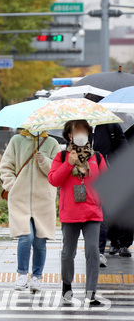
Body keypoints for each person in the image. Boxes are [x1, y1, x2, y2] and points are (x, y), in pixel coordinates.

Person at [49, 119, 106, 306]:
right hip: (70, 212)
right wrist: (69, 164)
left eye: (84, 130)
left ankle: (91, 292)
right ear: (68, 135)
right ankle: (67, 285)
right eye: (77, 131)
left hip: (92, 211)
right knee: (67, 253)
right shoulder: (61, 156)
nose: (81, 134)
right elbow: (54, 180)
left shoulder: (97, 157)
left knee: (92, 251)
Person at [0, 127, 59, 292]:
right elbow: (6, 167)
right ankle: (22, 274)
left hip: (43, 200)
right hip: (20, 198)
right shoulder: (16, 141)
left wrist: (44, 160)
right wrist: (12, 186)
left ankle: (37, 277)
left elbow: (56, 172)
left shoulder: (52, 143)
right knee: (26, 236)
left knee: (40, 240)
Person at [92, 122, 129, 264]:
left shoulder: (110, 126)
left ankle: (121, 244)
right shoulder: (82, 126)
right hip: (90, 176)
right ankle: (109, 243)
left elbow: (123, 148)